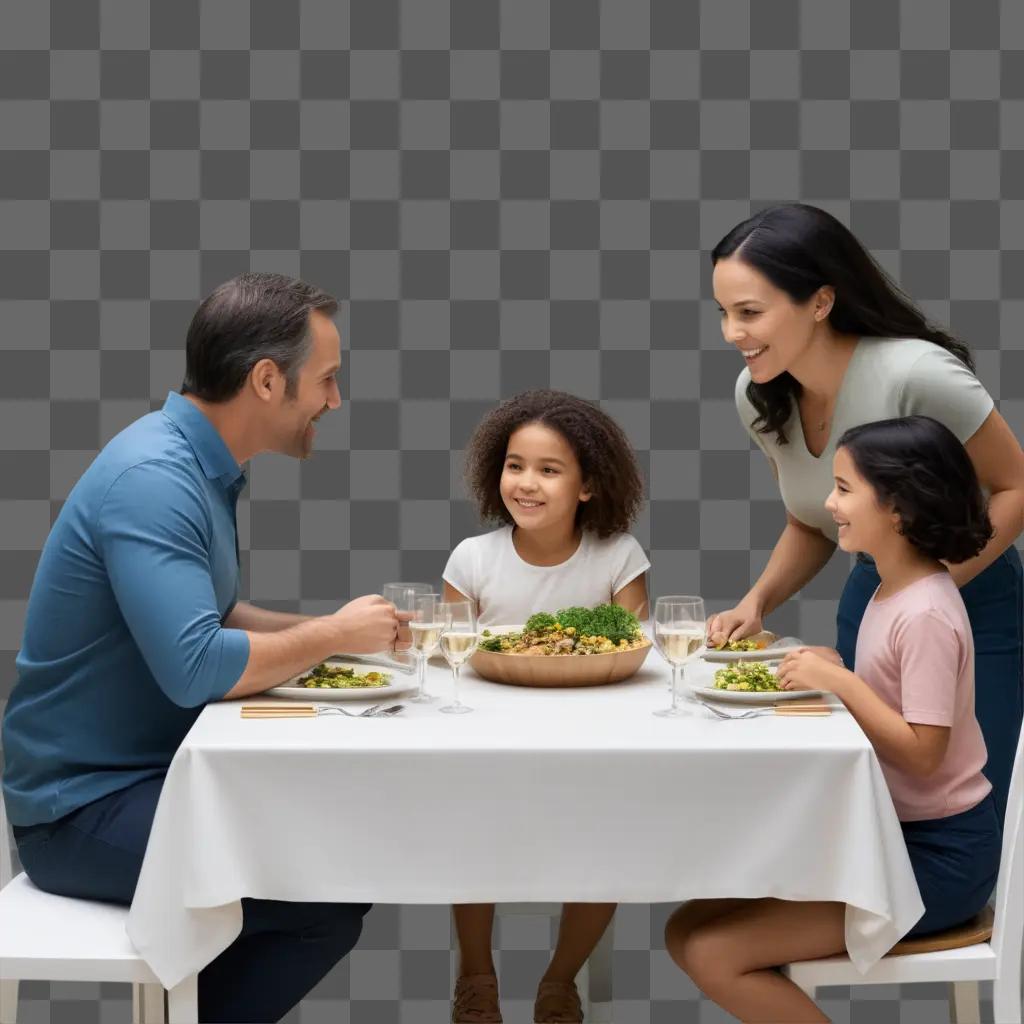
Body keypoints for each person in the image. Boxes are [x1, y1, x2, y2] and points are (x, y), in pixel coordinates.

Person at [1, 272, 404, 1024]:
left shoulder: (196, 463)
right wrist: (335, 635)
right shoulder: (155, 479)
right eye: (326, 379)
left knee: (342, 853)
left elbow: (211, 617)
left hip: (143, 781)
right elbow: (195, 669)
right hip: (79, 811)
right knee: (327, 885)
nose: (334, 401)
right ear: (264, 381)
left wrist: (350, 645)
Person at [667, 416, 1002, 1024]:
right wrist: (841, 666)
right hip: (889, 837)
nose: (828, 503)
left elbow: (925, 751)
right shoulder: (891, 589)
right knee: (685, 926)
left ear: (897, 507)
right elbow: (901, 698)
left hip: (938, 859)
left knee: (712, 951)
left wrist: (842, 683)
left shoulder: (924, 611)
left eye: (844, 488)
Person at [704, 203, 1024, 827]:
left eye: (749, 312)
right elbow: (809, 520)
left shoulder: (917, 375)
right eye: (723, 313)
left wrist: (930, 588)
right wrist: (757, 601)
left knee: (966, 805)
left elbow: (1016, 486)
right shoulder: (758, 394)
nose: (730, 333)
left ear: (820, 302)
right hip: (873, 595)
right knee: (876, 790)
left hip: (972, 599)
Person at [441, 389, 650, 1024]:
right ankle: (477, 975)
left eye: (549, 470)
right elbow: (451, 662)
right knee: (467, 833)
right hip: (487, 741)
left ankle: (561, 979)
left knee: (610, 841)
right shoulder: (473, 558)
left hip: (591, 741)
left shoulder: (618, 557)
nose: (526, 483)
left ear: (588, 486)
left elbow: (629, 647)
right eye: (514, 465)